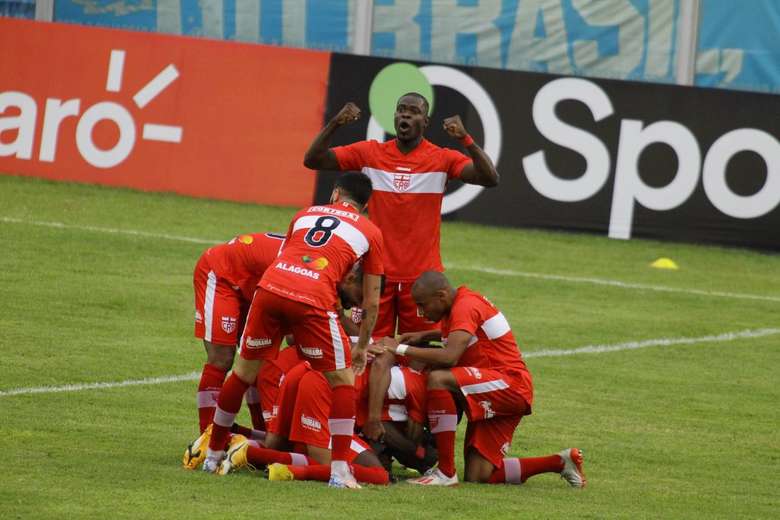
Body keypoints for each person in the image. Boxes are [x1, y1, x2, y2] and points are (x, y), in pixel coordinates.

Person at [304, 92, 500, 442]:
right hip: (375, 279)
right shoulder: (370, 153)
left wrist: (466, 140)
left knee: (415, 361)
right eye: (401, 111)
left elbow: (490, 178)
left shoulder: (441, 159)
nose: (405, 117)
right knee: (367, 351)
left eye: (414, 112)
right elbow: (313, 159)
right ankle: (362, 429)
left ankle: (413, 435)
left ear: (425, 122)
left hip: (420, 286)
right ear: (393, 117)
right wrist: (336, 123)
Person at [200, 172, 384, 489]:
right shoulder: (370, 231)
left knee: (241, 374)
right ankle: (340, 472)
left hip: (270, 288)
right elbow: (372, 302)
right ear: (365, 206)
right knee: (342, 380)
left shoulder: (304, 214)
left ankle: (212, 455)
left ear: (336, 194)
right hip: (313, 297)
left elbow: (285, 257)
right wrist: (362, 345)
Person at [382, 271, 586, 488]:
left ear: (441, 296)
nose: (420, 312)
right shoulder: (457, 305)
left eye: (422, 305)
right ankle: (560, 462)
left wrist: (401, 349)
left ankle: (445, 472)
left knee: (438, 379)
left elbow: (450, 356)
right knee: (478, 474)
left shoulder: (465, 306)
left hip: (509, 384)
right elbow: (462, 333)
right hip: (500, 387)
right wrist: (424, 336)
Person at [192, 232, 285, 433]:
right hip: (221, 274)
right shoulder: (314, 272)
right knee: (222, 358)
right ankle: (207, 436)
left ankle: (263, 435)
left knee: (259, 355)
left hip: (256, 285)